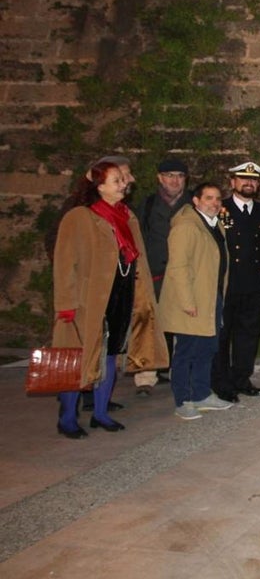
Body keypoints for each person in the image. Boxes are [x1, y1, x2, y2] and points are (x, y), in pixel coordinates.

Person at [51, 161, 167, 437]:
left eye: (122, 180)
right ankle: (68, 416)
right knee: (79, 358)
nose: (125, 183)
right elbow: (65, 264)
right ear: (99, 186)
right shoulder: (80, 217)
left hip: (122, 296)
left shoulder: (127, 216)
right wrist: (65, 306)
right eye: (117, 180)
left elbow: (136, 260)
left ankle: (100, 413)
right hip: (88, 301)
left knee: (112, 355)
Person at [161, 182, 234, 420]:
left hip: (212, 297)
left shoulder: (215, 225)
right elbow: (178, 267)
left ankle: (201, 393)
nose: (214, 203)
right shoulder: (186, 226)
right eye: (209, 198)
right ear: (196, 200)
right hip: (193, 300)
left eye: (217, 199)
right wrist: (187, 302)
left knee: (207, 348)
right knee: (186, 350)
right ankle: (182, 399)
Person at [212, 161, 260, 403]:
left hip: (254, 282)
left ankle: (241, 378)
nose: (249, 183)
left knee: (248, 333)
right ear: (232, 182)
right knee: (223, 335)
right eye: (244, 179)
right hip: (227, 282)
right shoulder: (220, 209)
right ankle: (221, 382)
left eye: (253, 180)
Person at [133, 156, 192, 395]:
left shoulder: (194, 204)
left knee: (184, 325)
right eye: (169, 176)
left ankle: (179, 371)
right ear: (160, 178)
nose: (174, 181)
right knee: (150, 324)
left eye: (179, 176)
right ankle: (146, 376)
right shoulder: (147, 205)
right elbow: (138, 239)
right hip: (156, 273)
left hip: (185, 275)